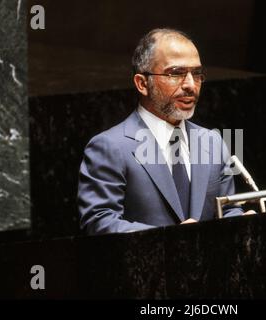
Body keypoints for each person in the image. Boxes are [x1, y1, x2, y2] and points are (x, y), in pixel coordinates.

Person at [78, 28, 253, 234]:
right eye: (176, 73)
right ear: (142, 84)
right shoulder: (110, 147)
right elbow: (99, 222)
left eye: (196, 74)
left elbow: (226, 209)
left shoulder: (212, 142)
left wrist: (240, 222)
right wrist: (168, 241)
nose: (190, 85)